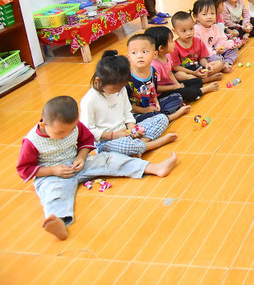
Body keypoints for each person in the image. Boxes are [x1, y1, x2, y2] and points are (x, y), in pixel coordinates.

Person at [16, 95, 178, 240]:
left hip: (78, 163)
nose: (66, 135)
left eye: (70, 130)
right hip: (51, 174)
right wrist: (52, 171)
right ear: (43, 123)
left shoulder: (75, 126)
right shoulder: (31, 141)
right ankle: (58, 220)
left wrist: (81, 156)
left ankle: (154, 168)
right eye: (60, 133)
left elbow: (87, 141)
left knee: (110, 159)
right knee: (54, 193)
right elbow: (25, 169)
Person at [80, 50, 177, 156]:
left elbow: (127, 113)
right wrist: (114, 135)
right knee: (124, 145)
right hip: (106, 142)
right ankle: (153, 144)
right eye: (114, 89)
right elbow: (89, 131)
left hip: (125, 134)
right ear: (98, 81)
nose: (118, 91)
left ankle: (138, 146)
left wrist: (132, 129)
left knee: (162, 118)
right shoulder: (89, 100)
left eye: (121, 87)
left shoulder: (121, 90)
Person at [126, 34, 191, 123]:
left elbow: (154, 92)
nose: (139, 56)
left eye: (144, 52)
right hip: (138, 112)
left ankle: (161, 117)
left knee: (178, 97)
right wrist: (144, 110)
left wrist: (156, 103)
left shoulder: (153, 71)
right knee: (140, 118)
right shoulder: (127, 79)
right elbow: (127, 107)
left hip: (152, 106)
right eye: (134, 53)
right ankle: (169, 116)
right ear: (129, 57)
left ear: (155, 54)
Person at [145, 26, 219, 101]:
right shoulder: (154, 65)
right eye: (171, 41)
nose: (174, 43)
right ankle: (203, 90)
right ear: (161, 48)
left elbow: (169, 73)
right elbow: (155, 88)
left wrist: (177, 85)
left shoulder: (167, 56)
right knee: (186, 92)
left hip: (170, 85)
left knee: (197, 81)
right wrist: (174, 87)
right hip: (160, 94)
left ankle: (190, 94)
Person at [192, 0, 240, 72]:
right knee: (216, 58)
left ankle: (227, 63)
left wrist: (229, 45)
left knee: (233, 49)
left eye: (212, 13)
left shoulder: (215, 27)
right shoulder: (196, 30)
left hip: (216, 50)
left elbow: (221, 40)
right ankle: (222, 65)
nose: (209, 17)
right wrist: (215, 52)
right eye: (204, 14)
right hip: (206, 55)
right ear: (196, 16)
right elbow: (200, 50)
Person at [171, 11, 224, 78]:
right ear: (175, 31)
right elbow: (176, 67)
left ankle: (201, 77)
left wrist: (206, 64)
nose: (189, 33)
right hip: (186, 72)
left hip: (198, 67)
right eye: (184, 31)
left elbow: (201, 58)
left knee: (219, 63)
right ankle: (207, 79)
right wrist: (193, 73)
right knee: (179, 75)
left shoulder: (198, 41)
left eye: (191, 29)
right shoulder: (174, 46)